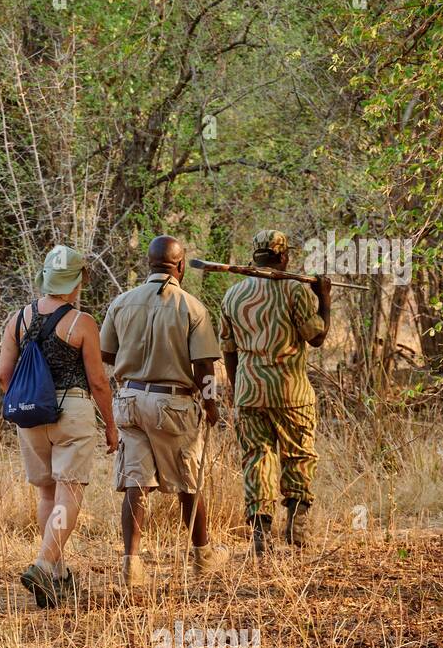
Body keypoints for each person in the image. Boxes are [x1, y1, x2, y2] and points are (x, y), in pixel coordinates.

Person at [100, 234, 228, 587]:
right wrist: (210, 403)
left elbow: (107, 354)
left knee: (136, 483)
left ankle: (132, 564)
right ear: (181, 265)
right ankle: (202, 555)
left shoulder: (122, 302)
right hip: (172, 403)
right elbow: (204, 366)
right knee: (189, 480)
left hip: (129, 401)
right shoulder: (192, 307)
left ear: (149, 265)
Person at [0, 245, 115, 606]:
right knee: (70, 491)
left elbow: (3, 376)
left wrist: (30, 403)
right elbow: (97, 381)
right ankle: (44, 562)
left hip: (30, 416)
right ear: (78, 282)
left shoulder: (16, 320)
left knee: (47, 493)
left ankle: (57, 574)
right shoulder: (82, 323)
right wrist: (110, 424)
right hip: (72, 412)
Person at [219, 229, 330, 554]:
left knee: (257, 459)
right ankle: (297, 528)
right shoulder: (295, 291)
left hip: (249, 391)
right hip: (291, 392)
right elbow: (317, 337)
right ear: (283, 257)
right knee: (298, 455)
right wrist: (324, 297)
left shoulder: (234, 295)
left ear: (255, 257)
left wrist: (237, 385)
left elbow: (228, 347)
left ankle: (261, 532)